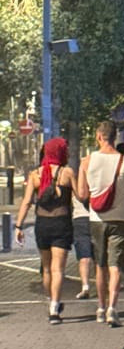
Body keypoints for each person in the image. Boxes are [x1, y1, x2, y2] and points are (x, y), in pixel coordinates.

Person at [79, 120, 124, 327]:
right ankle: (113, 308)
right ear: (115, 138)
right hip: (120, 219)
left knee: (101, 265)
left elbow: (82, 193)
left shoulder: (86, 162)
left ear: (98, 136)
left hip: (96, 219)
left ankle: (100, 308)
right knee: (116, 266)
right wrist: (122, 194)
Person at [14, 137, 78, 323]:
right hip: (62, 224)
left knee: (47, 268)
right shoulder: (67, 173)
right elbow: (81, 196)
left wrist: (19, 226)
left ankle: (50, 299)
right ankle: (54, 308)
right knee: (59, 269)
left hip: (42, 224)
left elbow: (27, 202)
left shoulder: (35, 175)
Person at [72, 193, 94, 300]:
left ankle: (85, 287)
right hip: (98, 216)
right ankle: (103, 285)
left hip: (80, 217)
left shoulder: (74, 179)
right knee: (99, 258)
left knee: (84, 257)